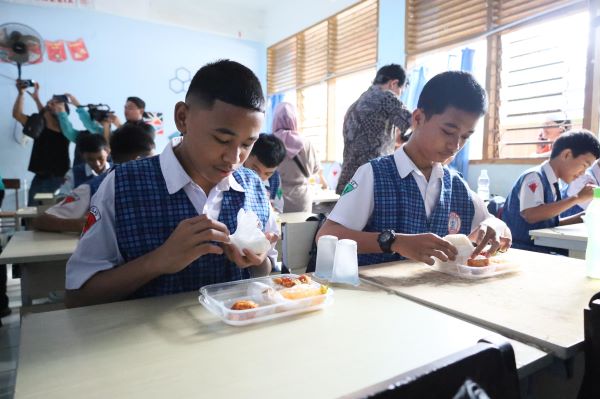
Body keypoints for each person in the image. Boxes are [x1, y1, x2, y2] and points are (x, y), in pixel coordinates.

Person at [65, 60, 278, 308]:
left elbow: (267, 271)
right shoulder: (122, 185)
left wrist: (258, 261)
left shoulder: (253, 187)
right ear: (182, 118)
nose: (234, 158)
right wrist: (158, 261)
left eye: (246, 144)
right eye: (222, 139)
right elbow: (78, 296)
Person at [317, 71, 511, 266]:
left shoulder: (456, 185)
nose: (455, 145)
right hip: (377, 293)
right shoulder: (374, 175)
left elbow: (501, 228)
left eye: (465, 137)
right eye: (448, 131)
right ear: (417, 119)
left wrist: (491, 225)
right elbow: (326, 236)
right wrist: (394, 242)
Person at [32, 124, 155, 233]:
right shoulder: (89, 187)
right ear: (138, 160)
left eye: (100, 158)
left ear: (107, 152)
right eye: (153, 158)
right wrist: (82, 223)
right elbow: (41, 220)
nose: (96, 163)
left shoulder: (159, 186)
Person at [503, 130, 600, 253]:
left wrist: (585, 216)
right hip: (522, 250)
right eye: (584, 165)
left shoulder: (554, 183)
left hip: (540, 249)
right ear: (567, 155)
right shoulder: (534, 177)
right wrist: (577, 198)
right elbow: (531, 215)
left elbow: (550, 223)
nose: (583, 173)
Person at [336, 64, 412, 194]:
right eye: (401, 91)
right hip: (373, 179)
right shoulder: (387, 97)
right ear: (394, 83)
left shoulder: (355, 104)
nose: (399, 95)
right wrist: (405, 137)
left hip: (348, 181)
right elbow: (413, 125)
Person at [12, 81, 70, 205]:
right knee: (33, 215)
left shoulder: (65, 130)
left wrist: (37, 100)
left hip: (56, 179)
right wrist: (22, 94)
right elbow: (17, 115)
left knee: (40, 216)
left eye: (53, 103)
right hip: (42, 177)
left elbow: (49, 115)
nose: (49, 104)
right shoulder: (41, 125)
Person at [273, 102, 327, 213]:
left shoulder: (271, 142)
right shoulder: (306, 142)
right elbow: (315, 170)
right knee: (302, 229)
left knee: (278, 229)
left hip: (277, 197)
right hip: (302, 198)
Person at [243, 133, 286, 212]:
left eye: (267, 174)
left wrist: (271, 208)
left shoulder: (275, 178)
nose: (260, 177)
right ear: (247, 155)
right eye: (255, 170)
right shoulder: (232, 175)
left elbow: (279, 201)